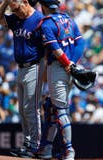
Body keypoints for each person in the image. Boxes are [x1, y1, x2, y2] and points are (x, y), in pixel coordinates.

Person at [0, 0, 45, 158]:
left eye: (17, 9)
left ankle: (35, 145)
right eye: (13, 10)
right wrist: (7, 2)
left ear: (25, 2)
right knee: (22, 109)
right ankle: (27, 144)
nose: (16, 13)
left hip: (35, 66)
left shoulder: (39, 19)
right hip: (20, 68)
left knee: (31, 109)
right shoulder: (16, 18)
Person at [36, 0, 85, 159]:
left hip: (58, 67)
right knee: (52, 107)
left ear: (43, 6)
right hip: (69, 67)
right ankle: (46, 149)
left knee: (61, 108)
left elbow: (55, 49)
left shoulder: (47, 23)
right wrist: (72, 63)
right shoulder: (69, 19)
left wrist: (66, 64)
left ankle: (69, 151)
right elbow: (80, 42)